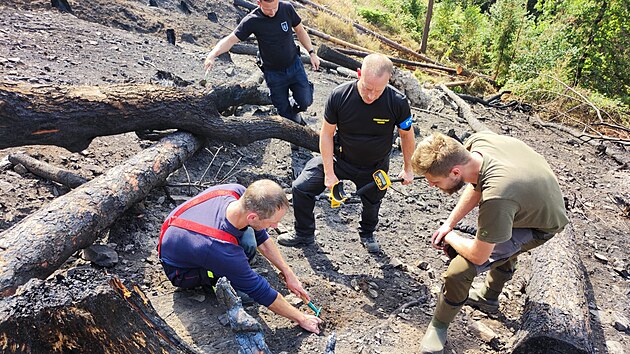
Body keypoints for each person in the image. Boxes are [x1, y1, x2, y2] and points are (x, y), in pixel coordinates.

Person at [411, 131, 569, 353]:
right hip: (528, 201)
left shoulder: (498, 197)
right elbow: (476, 185)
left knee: (460, 269)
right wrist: (449, 223)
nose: (432, 186)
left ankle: (439, 325)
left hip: (540, 224)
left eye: (435, 182)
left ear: (455, 171)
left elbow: (479, 255)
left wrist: (450, 237)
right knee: (494, 232)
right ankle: (489, 298)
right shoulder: (478, 143)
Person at [277, 53, 416, 253]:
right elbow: (326, 134)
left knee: (373, 202)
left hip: (375, 166)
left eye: (378, 90)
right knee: (301, 187)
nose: (371, 96)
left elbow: (406, 135)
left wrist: (408, 168)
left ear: (388, 81)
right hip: (340, 158)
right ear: (359, 74)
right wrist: (329, 172)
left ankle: (367, 233)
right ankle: (304, 233)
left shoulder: (398, 102)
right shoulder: (339, 95)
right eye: (367, 88)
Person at [158, 179, 322, 334]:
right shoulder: (220, 249)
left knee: (250, 237)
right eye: (272, 222)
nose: (275, 226)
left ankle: (236, 271)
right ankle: (215, 282)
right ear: (253, 217)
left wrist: (288, 273)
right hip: (182, 271)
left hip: (187, 235)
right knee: (247, 292)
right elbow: (260, 291)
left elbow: (262, 240)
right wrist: (301, 318)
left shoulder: (237, 192)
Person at [203, 0, 320, 125]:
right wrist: (212, 54)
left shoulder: (286, 8)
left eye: (275, 8)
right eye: (268, 9)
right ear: (259, 3)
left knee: (305, 101)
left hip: (294, 65)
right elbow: (231, 40)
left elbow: (300, 31)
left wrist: (312, 53)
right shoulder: (252, 20)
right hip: (273, 73)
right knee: (284, 112)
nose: (272, 13)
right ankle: (296, 129)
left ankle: (296, 103)